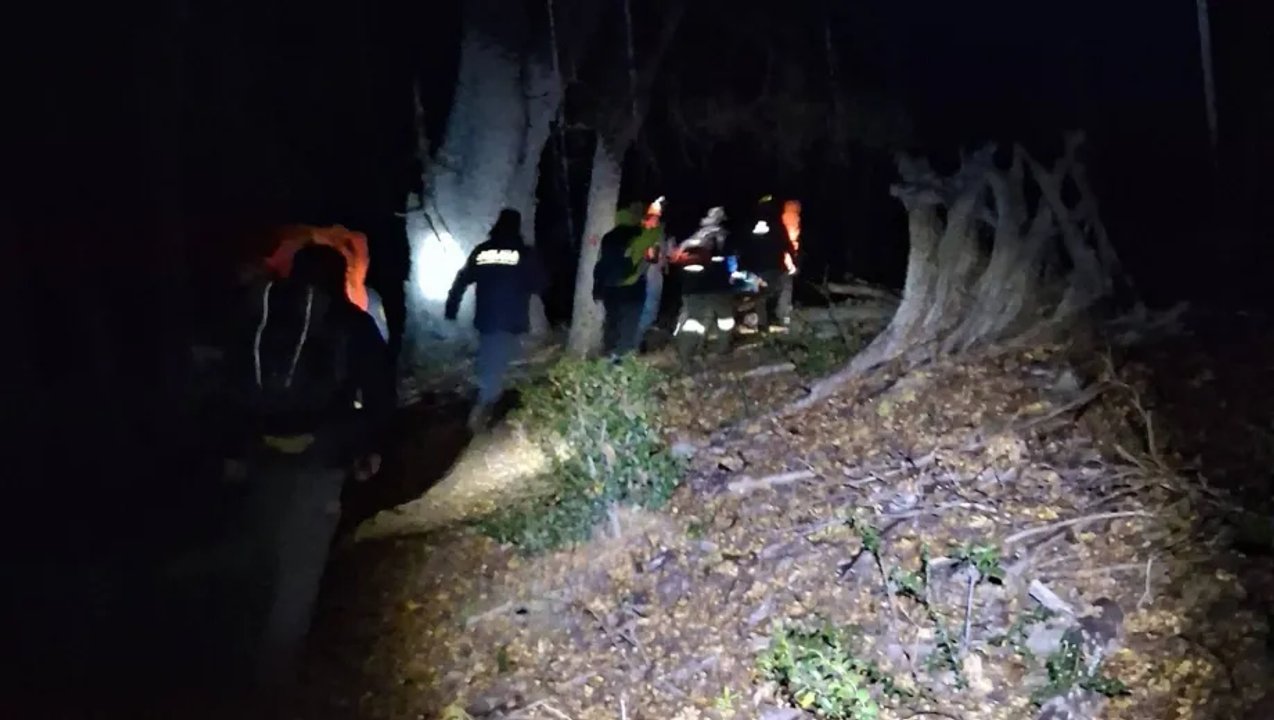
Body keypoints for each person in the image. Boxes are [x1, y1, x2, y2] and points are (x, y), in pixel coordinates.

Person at [222, 243, 394, 685]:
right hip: (322, 453)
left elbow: (225, 383)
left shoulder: (256, 315)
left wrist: (232, 451)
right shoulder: (351, 322)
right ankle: (275, 675)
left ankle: (236, 659)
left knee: (262, 548)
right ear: (338, 276)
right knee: (301, 564)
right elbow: (378, 391)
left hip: (259, 450)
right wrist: (369, 447)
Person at [445, 209, 547, 432]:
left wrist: (451, 306)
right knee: (495, 366)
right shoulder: (524, 253)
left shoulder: (482, 251)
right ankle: (481, 414)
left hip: (486, 318)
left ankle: (488, 399)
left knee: (491, 358)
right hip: (511, 319)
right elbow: (539, 285)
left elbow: (462, 279)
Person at [669, 207, 738, 364]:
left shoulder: (691, 238)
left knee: (695, 320)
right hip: (717, 285)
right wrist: (733, 276)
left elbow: (674, 258)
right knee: (725, 318)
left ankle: (686, 353)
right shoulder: (722, 235)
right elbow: (730, 258)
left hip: (692, 286)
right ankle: (722, 349)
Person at [593, 202, 658, 357]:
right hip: (632, 286)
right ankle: (622, 358)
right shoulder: (641, 235)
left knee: (612, 322)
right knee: (629, 324)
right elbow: (652, 258)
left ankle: (608, 354)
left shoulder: (608, 237)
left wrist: (597, 288)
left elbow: (601, 263)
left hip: (609, 287)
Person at [739, 195, 798, 332]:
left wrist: (744, 266)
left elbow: (743, 247)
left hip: (756, 269)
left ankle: (762, 324)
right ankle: (782, 320)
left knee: (761, 296)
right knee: (783, 290)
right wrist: (793, 262)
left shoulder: (749, 225)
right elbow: (787, 245)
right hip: (774, 266)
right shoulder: (777, 225)